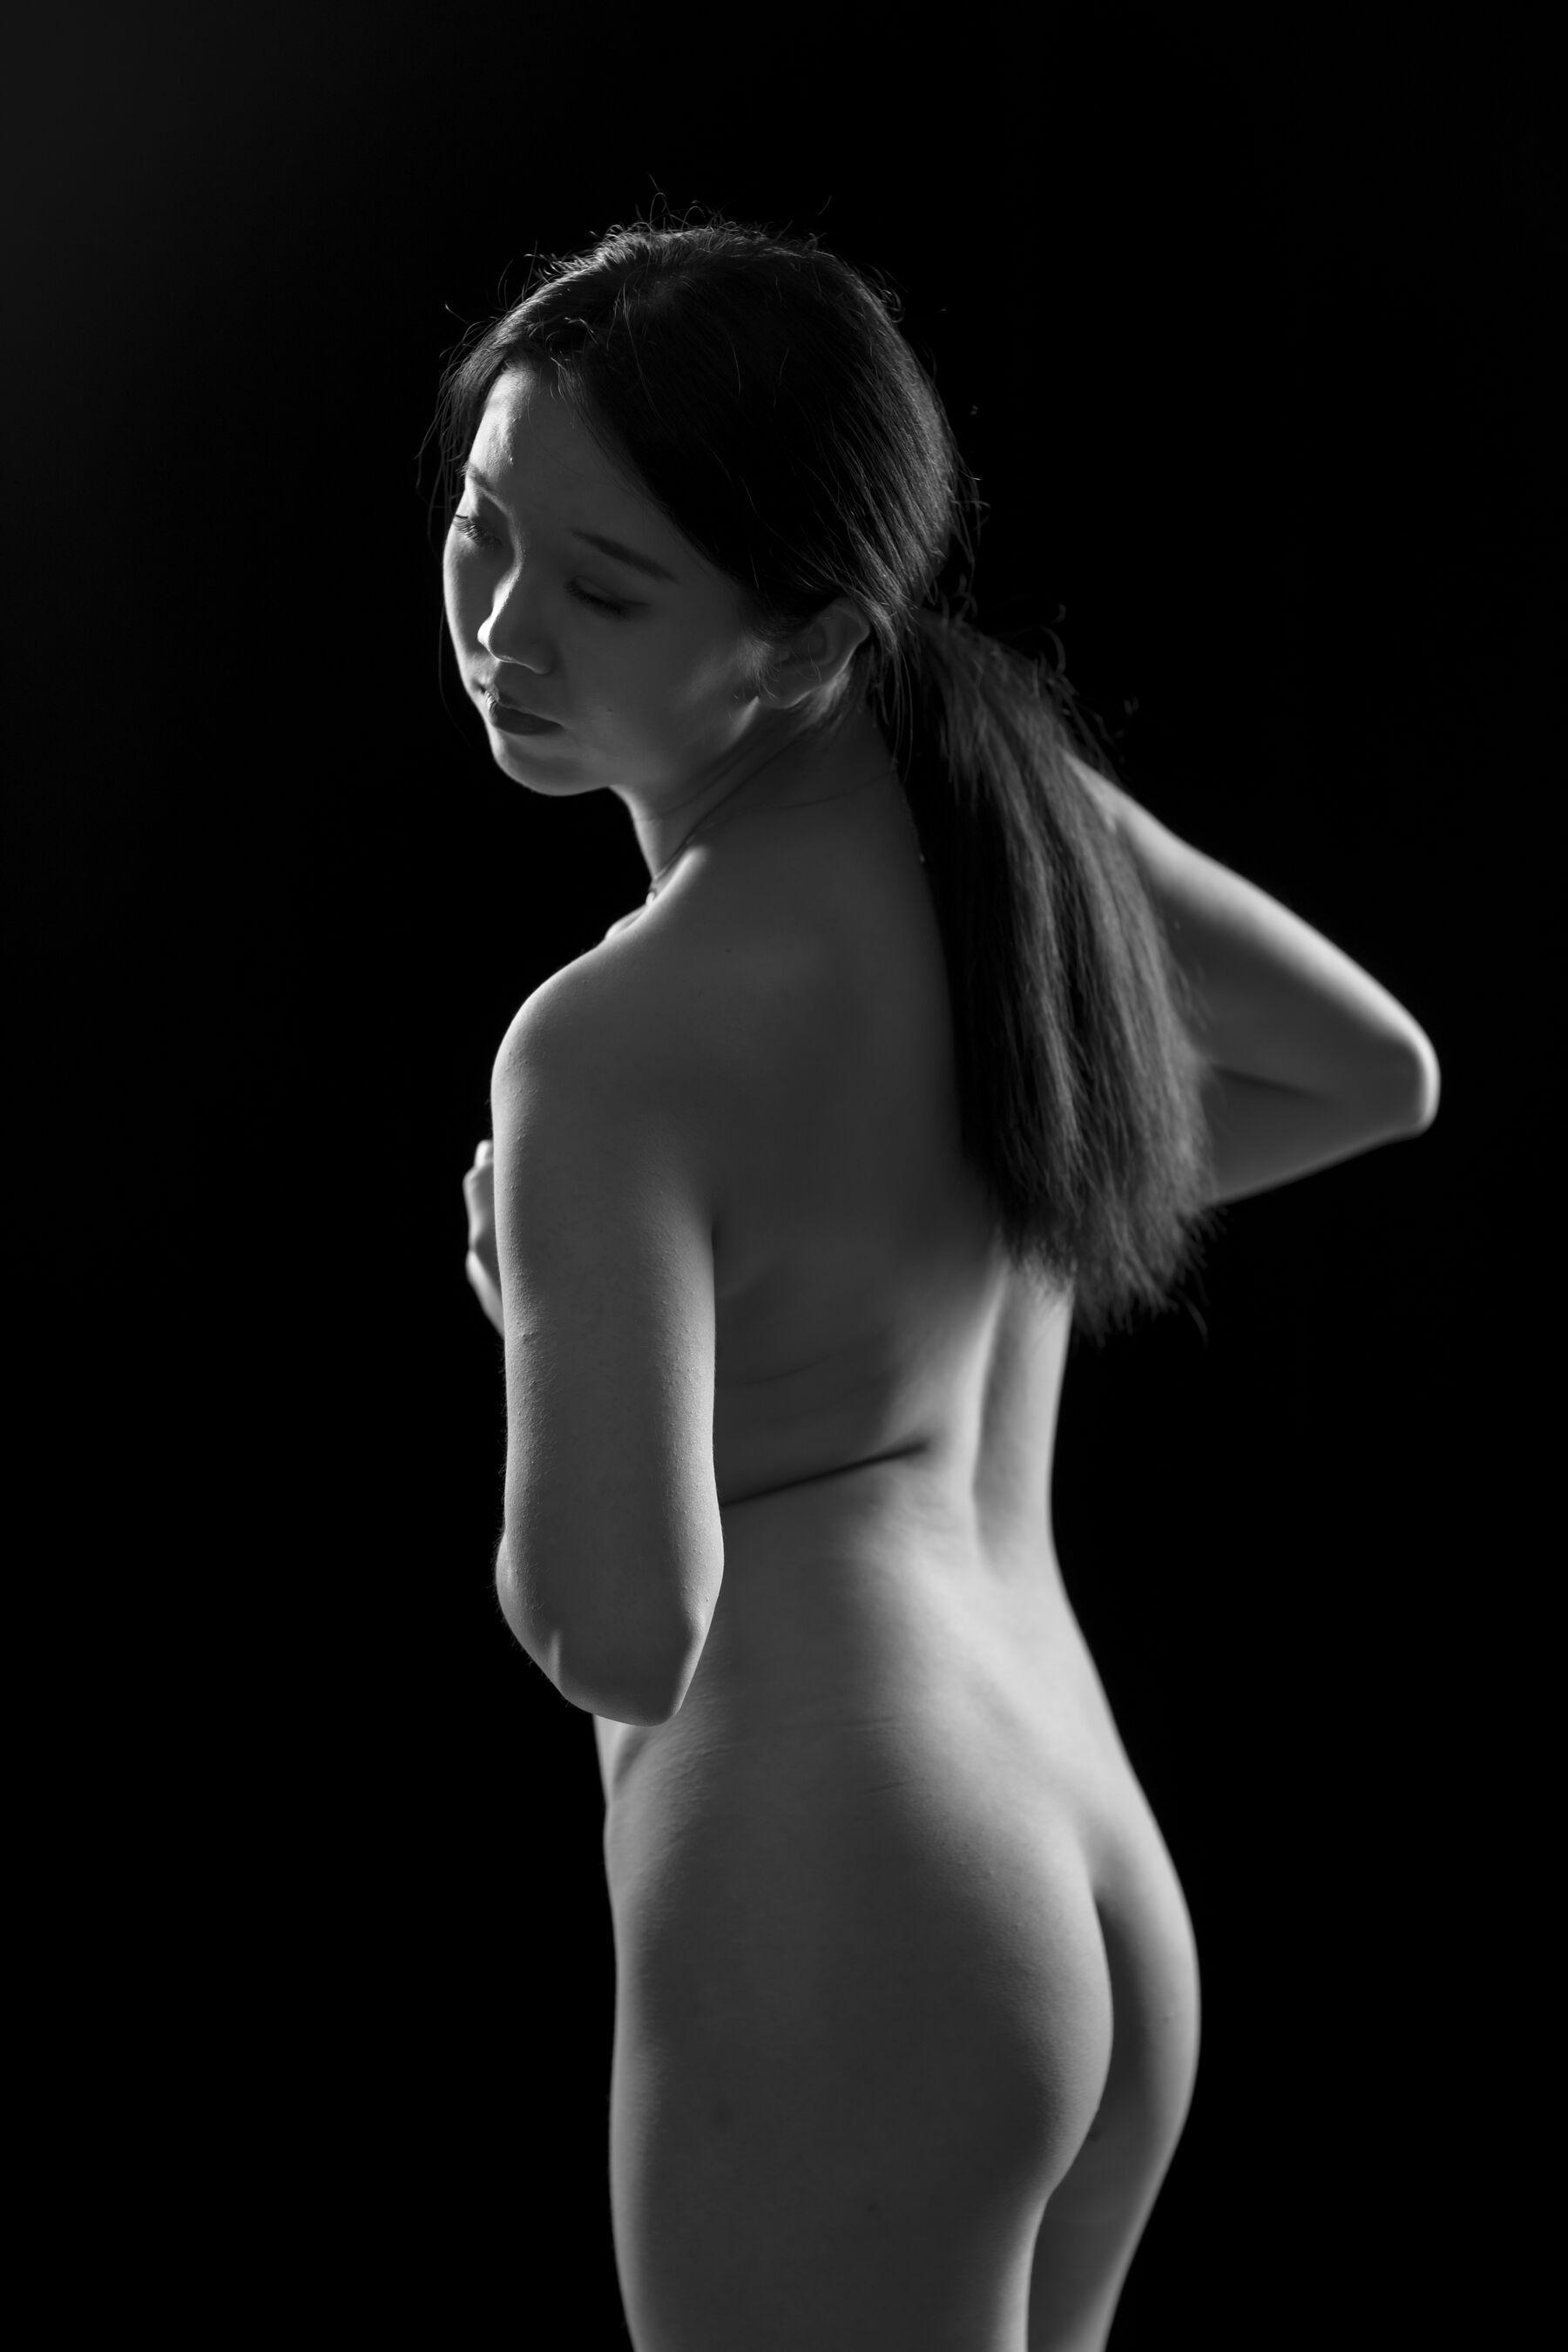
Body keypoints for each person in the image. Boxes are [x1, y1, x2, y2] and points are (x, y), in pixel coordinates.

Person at [447, 213, 1439, 2352]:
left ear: (806, 631)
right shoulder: (1014, 819)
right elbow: (1373, 1072)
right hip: (1070, 1835)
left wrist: (550, 1300)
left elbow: (618, 1627)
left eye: (602, 587)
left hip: (838, 1888)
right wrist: (975, 1201)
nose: (505, 624)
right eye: (483, 528)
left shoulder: (604, 1047)